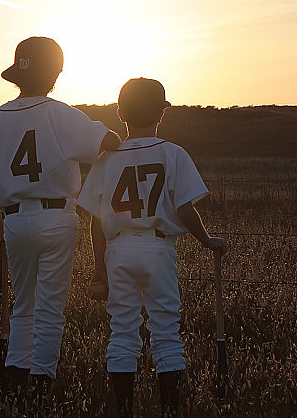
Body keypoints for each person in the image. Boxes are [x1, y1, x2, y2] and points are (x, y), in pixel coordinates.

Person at [0, 36, 120, 404]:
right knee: (50, 308)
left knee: (23, 306)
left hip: (14, 220)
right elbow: (107, 141)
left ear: (17, 74)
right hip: (57, 217)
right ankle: (42, 385)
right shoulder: (59, 112)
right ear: (56, 74)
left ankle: (15, 383)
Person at [77, 78, 228, 417]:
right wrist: (208, 241)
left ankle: (125, 408)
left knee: (122, 329)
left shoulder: (106, 158)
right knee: (165, 329)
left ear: (120, 113)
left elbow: (96, 222)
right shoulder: (172, 153)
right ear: (162, 113)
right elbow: (186, 208)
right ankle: (170, 408)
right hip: (158, 249)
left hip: (118, 250)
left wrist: (99, 270)